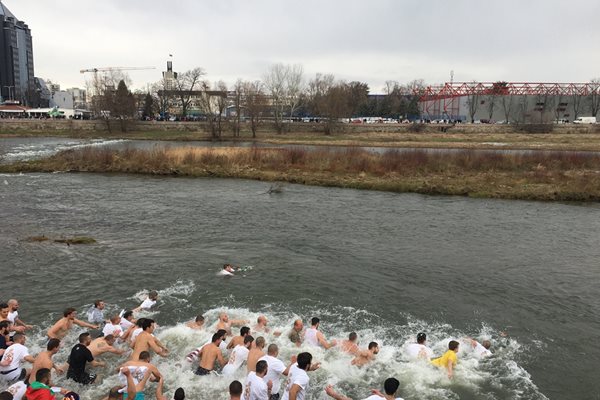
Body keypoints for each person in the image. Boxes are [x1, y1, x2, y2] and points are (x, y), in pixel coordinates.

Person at [324, 377, 404, 400]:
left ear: (385, 388)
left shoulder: (375, 398)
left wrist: (332, 394)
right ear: (396, 390)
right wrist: (381, 395)